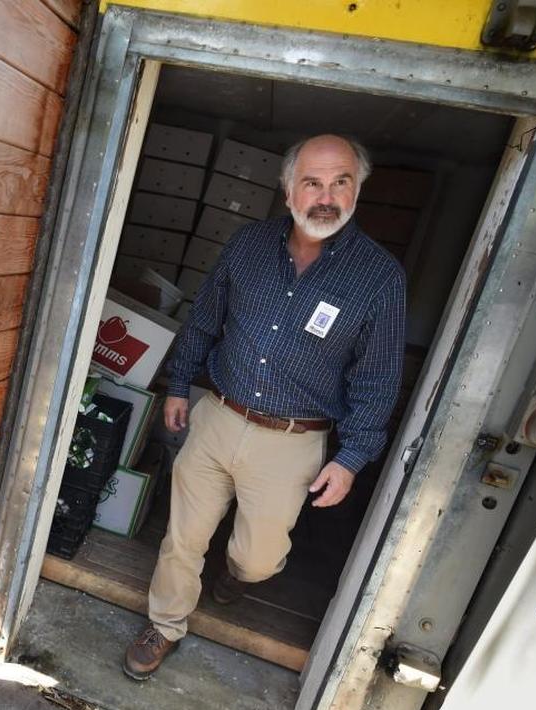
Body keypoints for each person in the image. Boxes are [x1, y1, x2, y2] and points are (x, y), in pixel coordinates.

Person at [123, 134, 406, 680]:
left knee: (257, 559)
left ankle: (235, 576)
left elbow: (378, 377)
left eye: (341, 182)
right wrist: (180, 384)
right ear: (287, 190)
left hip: (293, 442)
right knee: (183, 537)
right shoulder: (248, 245)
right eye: (313, 182)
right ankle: (165, 623)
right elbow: (205, 317)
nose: (326, 197)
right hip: (218, 417)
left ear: (357, 189)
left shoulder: (378, 278)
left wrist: (351, 459)